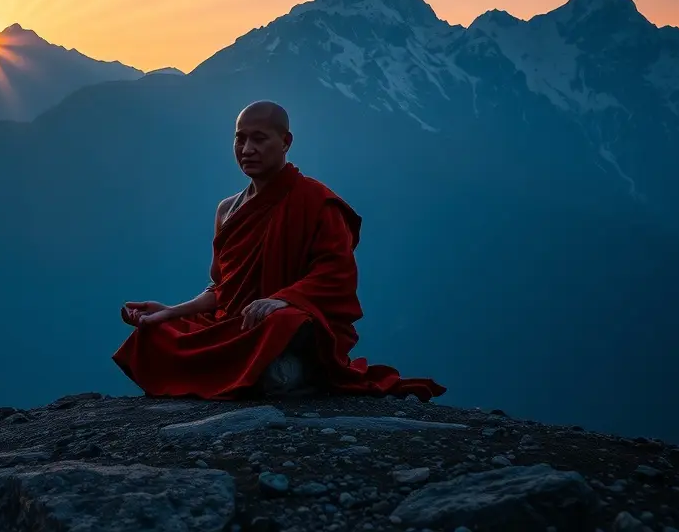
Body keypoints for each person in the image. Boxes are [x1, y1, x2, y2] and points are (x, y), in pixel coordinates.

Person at [112, 100, 446, 400]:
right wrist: (171, 311)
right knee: (155, 333)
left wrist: (284, 298)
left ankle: (270, 369)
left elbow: (337, 275)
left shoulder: (315, 201)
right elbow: (224, 290)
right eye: (240, 138)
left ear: (285, 142)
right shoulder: (227, 210)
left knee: (283, 322)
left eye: (259, 139)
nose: (247, 149)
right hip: (240, 323)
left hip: (289, 320)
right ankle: (272, 373)